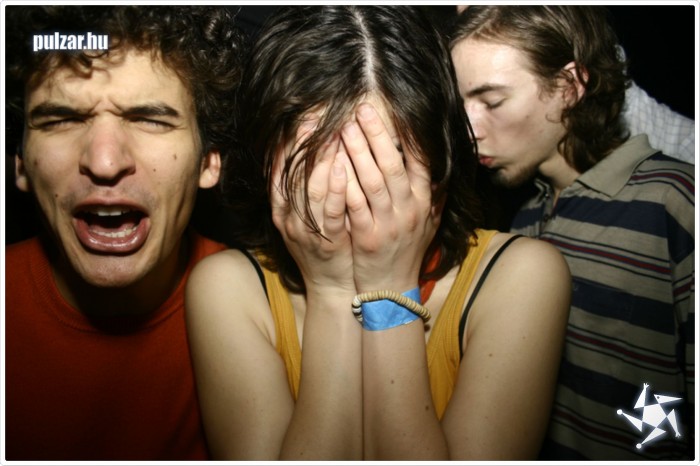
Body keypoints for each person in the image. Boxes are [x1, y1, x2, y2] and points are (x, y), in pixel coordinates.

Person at [186, 5, 571, 460]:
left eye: (380, 163)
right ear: (269, 162)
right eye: (319, 162)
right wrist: (330, 290)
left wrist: (389, 285)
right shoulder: (228, 287)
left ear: (439, 163)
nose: (352, 193)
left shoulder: (521, 276)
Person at [449, 5, 695, 460]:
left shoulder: (676, 202)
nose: (470, 130)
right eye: (462, 105)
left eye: (492, 101)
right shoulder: (524, 220)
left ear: (568, 87)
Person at [4, 5, 244, 460]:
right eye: (61, 119)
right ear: (19, 163)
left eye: (149, 119)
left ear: (209, 162)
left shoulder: (272, 314)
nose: (104, 162)